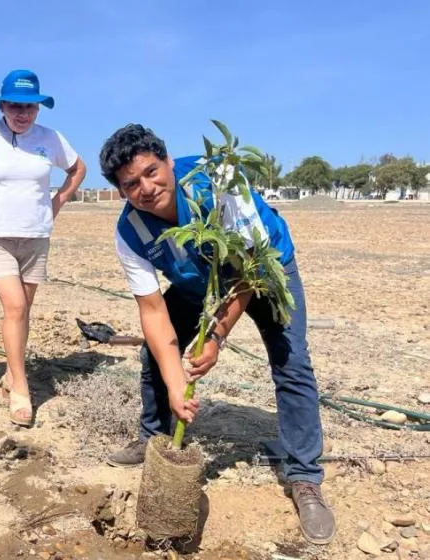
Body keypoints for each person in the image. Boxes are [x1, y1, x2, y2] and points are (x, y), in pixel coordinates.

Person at [98, 124, 335, 545]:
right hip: (196, 281)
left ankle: (304, 476)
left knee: (291, 362)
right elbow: (152, 312)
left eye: (152, 172)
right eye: (131, 184)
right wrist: (176, 382)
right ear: (121, 191)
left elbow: (247, 270)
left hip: (263, 271)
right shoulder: (130, 232)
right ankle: (154, 436)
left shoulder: (217, 181)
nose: (147, 188)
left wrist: (218, 334)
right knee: (156, 355)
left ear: (168, 161)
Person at [0, 69, 86, 427]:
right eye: (14, 105)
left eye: (29, 106)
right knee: (14, 307)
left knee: (23, 311)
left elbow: (78, 169)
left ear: (38, 109)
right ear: (2, 105)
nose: (22, 113)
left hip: (36, 236)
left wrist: (58, 201)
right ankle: (21, 390)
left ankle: (9, 376)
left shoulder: (51, 138)